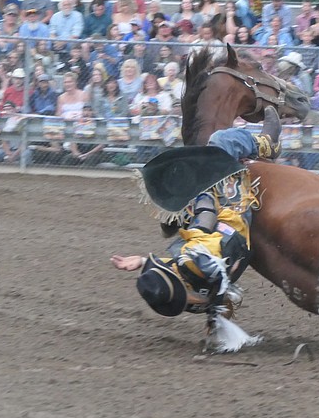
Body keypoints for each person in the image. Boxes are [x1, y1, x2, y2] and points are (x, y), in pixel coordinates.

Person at [110, 108, 282, 352]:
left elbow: (181, 269)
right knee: (219, 145)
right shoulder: (196, 261)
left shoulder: (193, 297)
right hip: (233, 216)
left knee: (182, 237)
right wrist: (202, 195)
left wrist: (141, 261)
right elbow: (204, 222)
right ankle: (267, 144)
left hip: (229, 252)